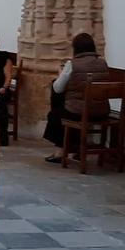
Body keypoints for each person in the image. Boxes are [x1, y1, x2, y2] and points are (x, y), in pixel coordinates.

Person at [43, 32, 111, 162]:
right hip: (101, 110)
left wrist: (60, 74)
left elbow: (58, 88)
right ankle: (77, 150)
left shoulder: (72, 64)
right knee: (66, 108)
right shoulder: (103, 63)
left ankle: (60, 151)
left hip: (78, 111)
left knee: (57, 112)